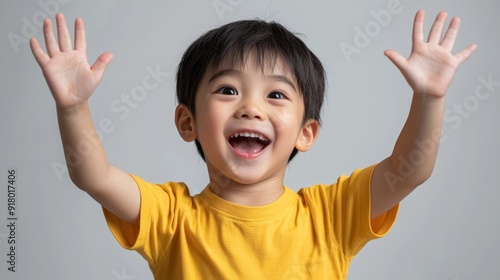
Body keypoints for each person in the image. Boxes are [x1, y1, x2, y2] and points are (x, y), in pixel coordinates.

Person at [30, 10, 476, 279]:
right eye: (227, 90)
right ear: (187, 122)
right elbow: (92, 174)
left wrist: (429, 98)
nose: (250, 108)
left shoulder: (330, 216)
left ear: (307, 133)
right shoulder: (171, 217)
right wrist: (73, 108)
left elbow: (410, 169)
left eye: (276, 94)